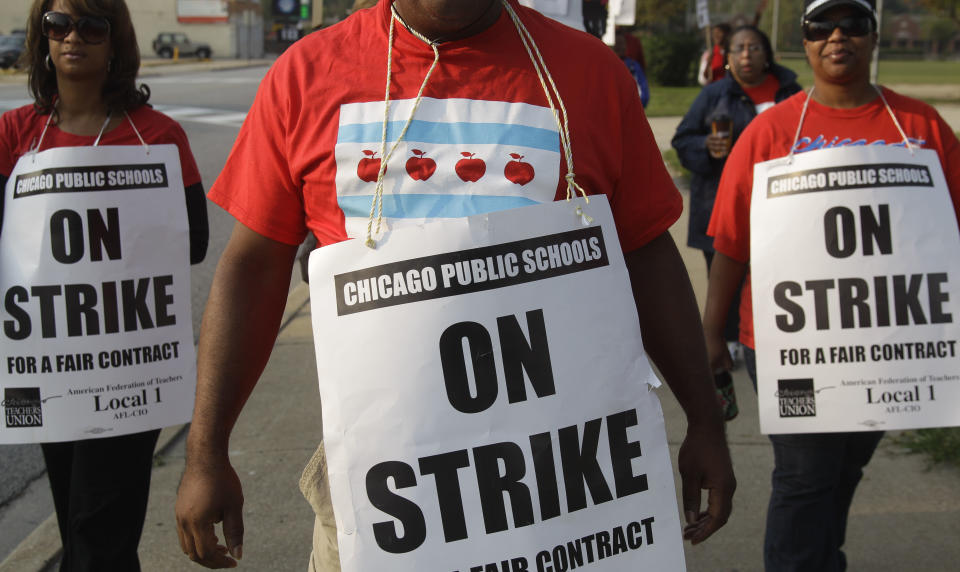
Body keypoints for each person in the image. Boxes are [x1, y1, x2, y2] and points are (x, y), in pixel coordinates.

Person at [174, 0, 735, 569]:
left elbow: (646, 253)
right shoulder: (306, 74)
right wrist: (206, 451)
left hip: (568, 491)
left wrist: (704, 418)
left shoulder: (587, 72)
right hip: (385, 493)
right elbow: (252, 268)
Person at [703, 0, 960, 570]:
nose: (837, 35)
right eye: (822, 26)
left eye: (853, 24)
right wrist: (711, 335)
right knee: (803, 478)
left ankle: (825, 560)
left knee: (843, 470)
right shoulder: (769, 132)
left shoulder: (921, 127)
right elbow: (729, 242)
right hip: (791, 348)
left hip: (891, 348)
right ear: (806, 41)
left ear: (874, 37)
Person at [0, 0, 208, 570]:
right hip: (49, 368)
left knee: (99, 538)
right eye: (59, 24)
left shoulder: (158, 137)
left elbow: (193, 244)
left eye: (92, 26)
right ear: (42, 37)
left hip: (128, 374)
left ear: (115, 41)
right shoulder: (16, 132)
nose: (74, 37)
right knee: (82, 523)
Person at [672, 25, 802, 419]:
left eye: (755, 47)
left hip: (783, 208)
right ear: (726, 57)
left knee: (772, 278)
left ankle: (771, 337)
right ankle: (727, 342)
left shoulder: (792, 96)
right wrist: (705, 149)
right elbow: (682, 140)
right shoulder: (714, 96)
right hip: (723, 205)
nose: (747, 54)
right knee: (724, 275)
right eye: (739, 48)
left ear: (768, 54)